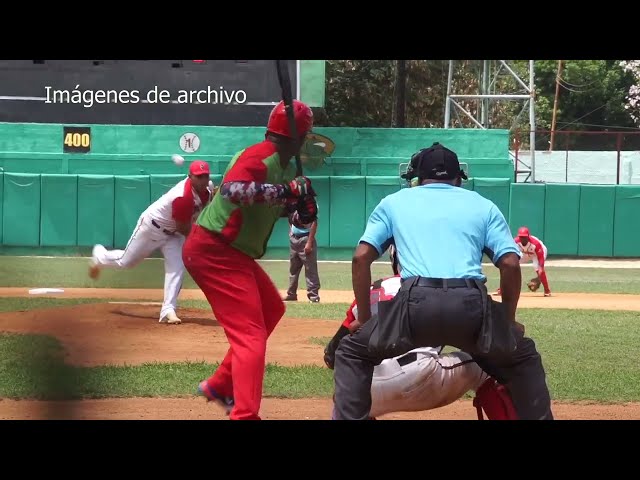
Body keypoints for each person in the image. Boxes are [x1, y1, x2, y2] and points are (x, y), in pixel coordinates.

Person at [332, 142, 553, 420]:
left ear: (416, 179)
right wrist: (506, 322)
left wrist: (365, 319)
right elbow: (509, 263)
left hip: (413, 304)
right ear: (459, 178)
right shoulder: (483, 205)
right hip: (470, 305)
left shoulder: (394, 202)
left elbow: (361, 258)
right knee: (523, 357)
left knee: (352, 352)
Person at [183, 99, 318, 420]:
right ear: (298, 138)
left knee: (272, 309)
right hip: (214, 249)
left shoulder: (284, 167)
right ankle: (244, 414)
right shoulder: (260, 156)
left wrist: (301, 208)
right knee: (251, 335)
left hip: (233, 253)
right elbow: (233, 191)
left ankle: (219, 385)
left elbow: (274, 207)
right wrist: (288, 192)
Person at [324, 246, 518, 420]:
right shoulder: (440, 289)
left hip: (370, 390)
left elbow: (332, 357)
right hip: (421, 378)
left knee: (348, 391)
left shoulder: (370, 290)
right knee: (485, 368)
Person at [88, 160, 214, 324]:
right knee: (126, 262)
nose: (203, 180)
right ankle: (100, 256)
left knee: (177, 267)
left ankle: (168, 310)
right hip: (152, 228)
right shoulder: (182, 196)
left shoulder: (208, 188)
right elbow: (184, 228)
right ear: (190, 177)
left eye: (205, 176)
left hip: (173, 235)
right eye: (199, 176)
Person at [493, 226, 551, 297]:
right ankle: (502, 290)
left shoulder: (535, 243)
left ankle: (547, 290)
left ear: (528, 236)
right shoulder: (515, 242)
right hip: (525, 253)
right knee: (511, 265)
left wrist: (540, 270)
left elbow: (541, 257)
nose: (522, 238)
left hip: (538, 253)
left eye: (524, 237)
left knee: (538, 268)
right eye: (521, 237)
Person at [283, 211, 321, 303]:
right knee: (293, 269)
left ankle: (313, 296)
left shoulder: (309, 204)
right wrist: (291, 231)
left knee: (310, 269)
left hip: (305, 238)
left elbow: (314, 223)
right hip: (294, 239)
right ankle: (291, 294)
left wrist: (309, 242)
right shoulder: (292, 206)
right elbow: (289, 218)